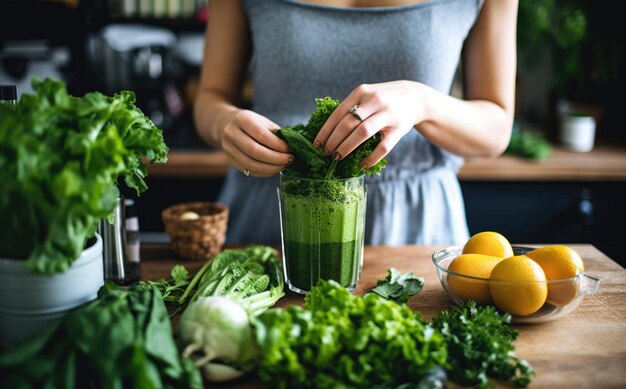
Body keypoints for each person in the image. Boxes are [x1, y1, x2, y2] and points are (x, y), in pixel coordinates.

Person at [193, 0, 518, 246]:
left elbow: (497, 127)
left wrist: (423, 102)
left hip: (413, 226)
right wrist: (225, 122)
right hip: (273, 211)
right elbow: (210, 97)